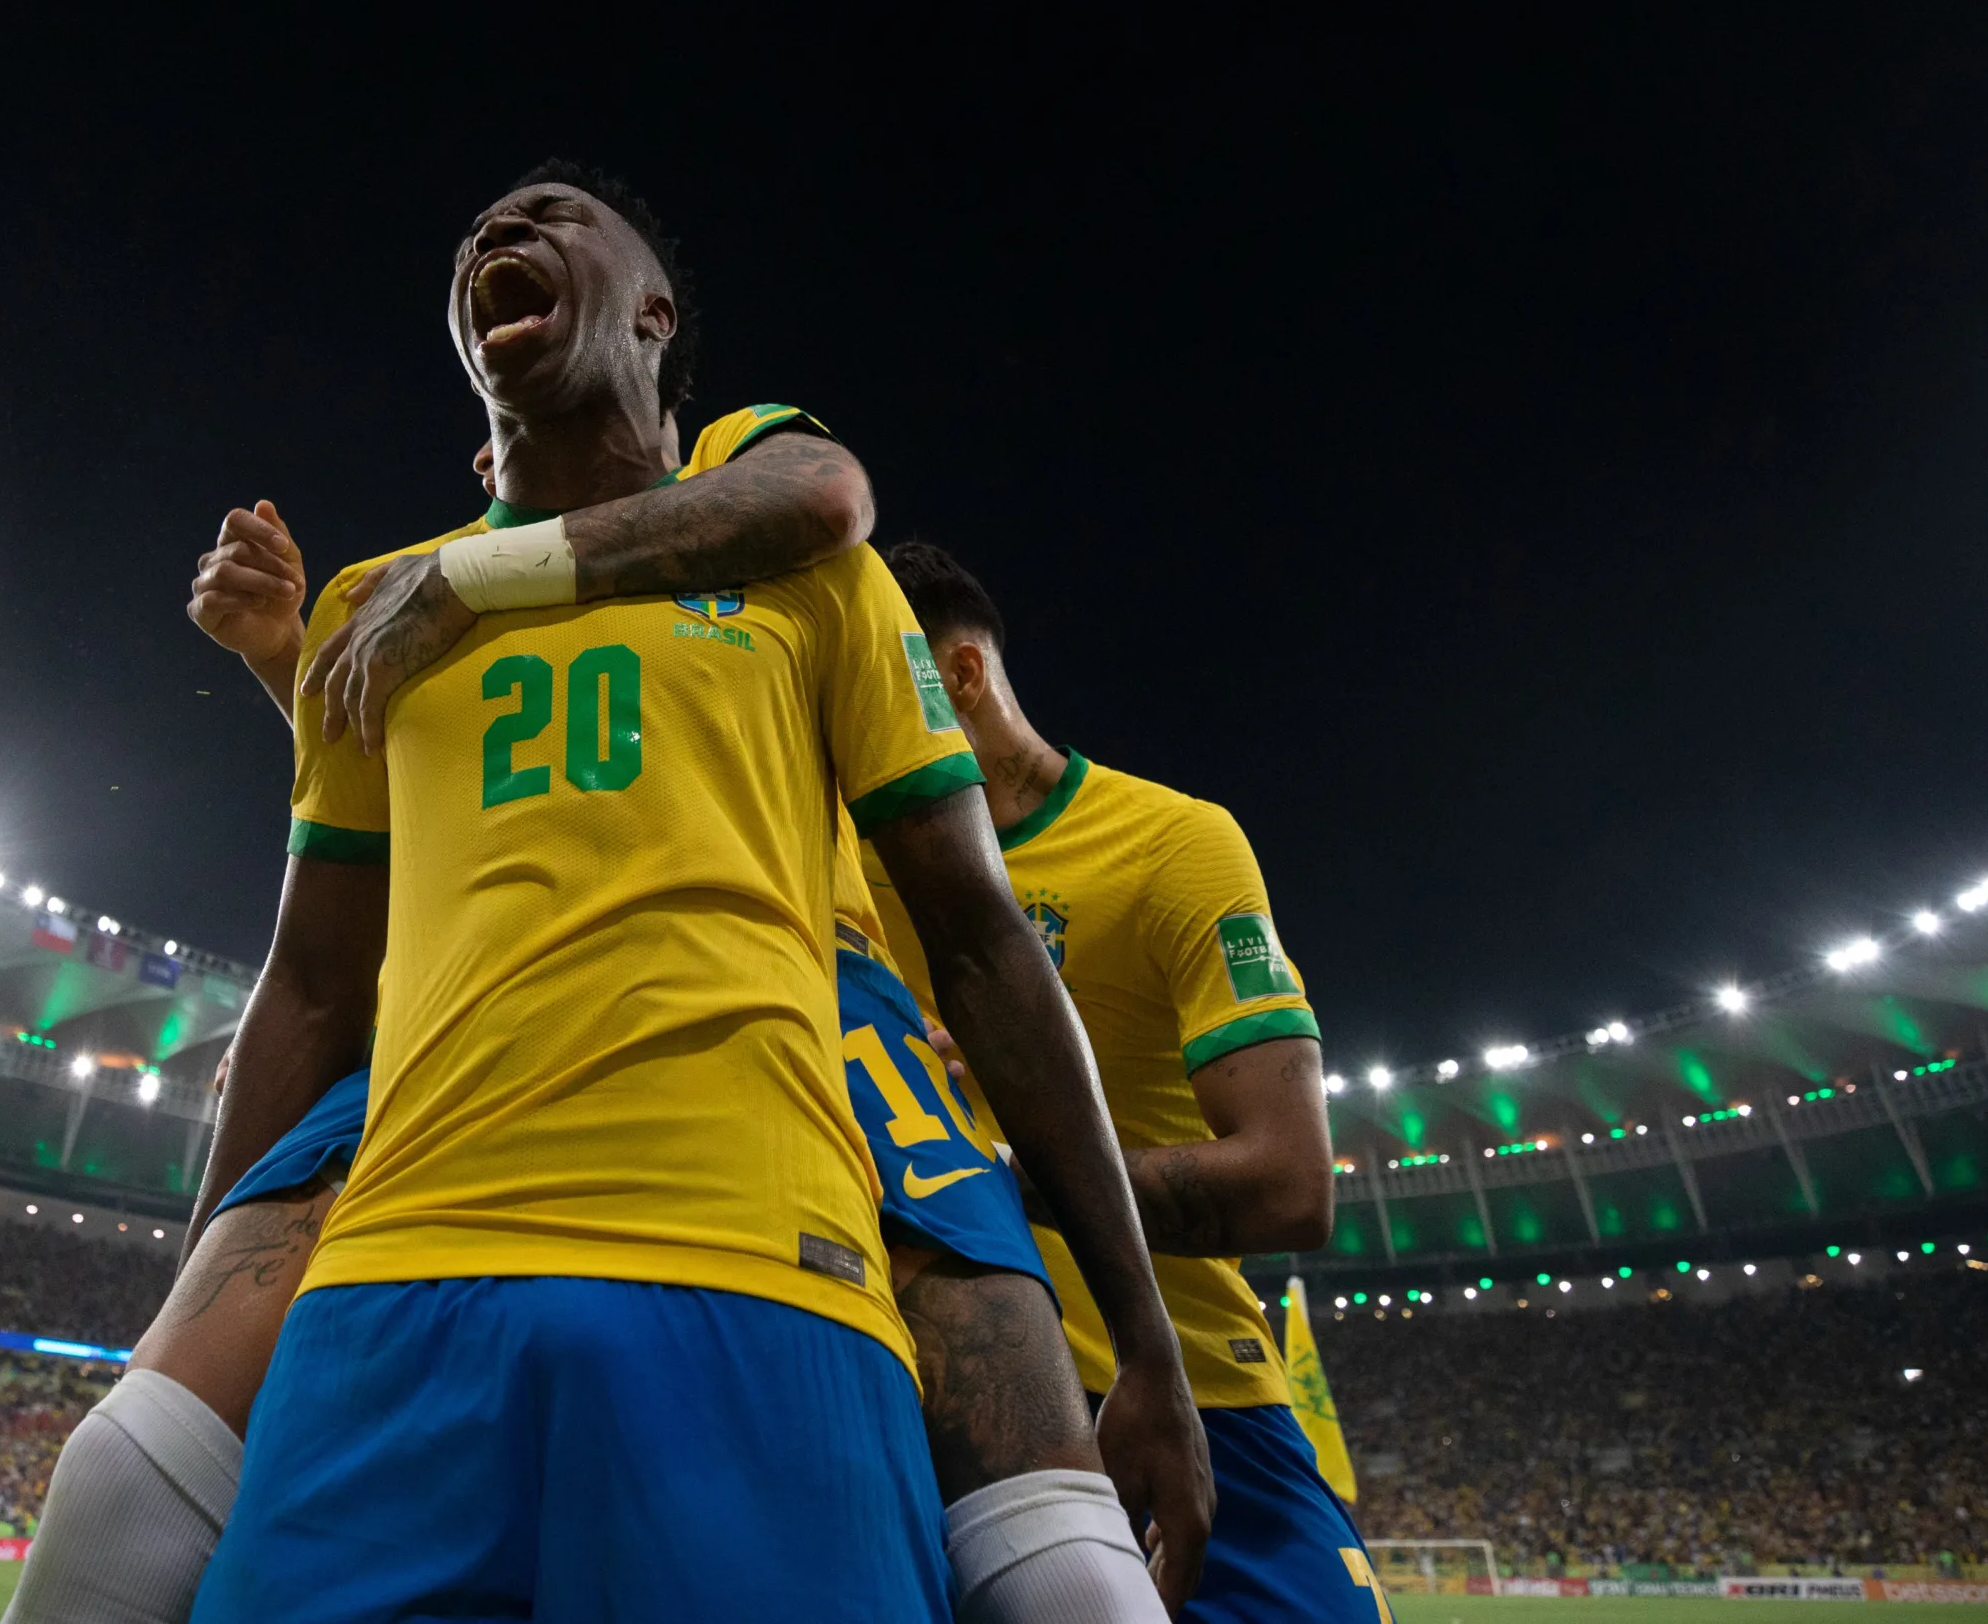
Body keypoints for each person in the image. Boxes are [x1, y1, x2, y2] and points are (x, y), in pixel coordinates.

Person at [154, 164, 1200, 1623]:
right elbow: (317, 985)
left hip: (755, 1278)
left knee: (1050, 1517)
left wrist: (1143, 1338)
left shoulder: (809, 573)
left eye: (554, 216)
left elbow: (979, 944)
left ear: (653, 311)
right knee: (114, 1496)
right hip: (390, 1298)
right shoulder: (375, 611)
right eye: (479, 231)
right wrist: (181, 1310)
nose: (497, 234)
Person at [866, 544, 1386, 1623]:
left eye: (862, 672)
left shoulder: (1170, 846)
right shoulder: (830, 867)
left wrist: (1003, 1165)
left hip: (1190, 1399)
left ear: (956, 674)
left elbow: (1293, 1185)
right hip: (934, 1412)